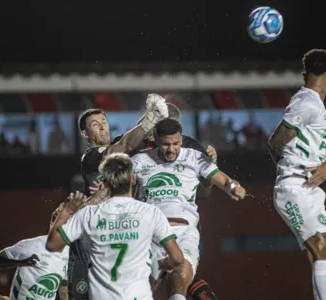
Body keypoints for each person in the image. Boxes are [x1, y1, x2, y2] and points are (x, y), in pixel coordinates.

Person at [66, 94, 169, 300]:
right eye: (95, 125)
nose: (103, 127)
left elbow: (132, 141)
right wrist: (151, 117)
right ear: (84, 133)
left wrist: (150, 117)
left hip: (126, 226)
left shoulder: (118, 145)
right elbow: (122, 147)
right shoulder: (91, 156)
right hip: (100, 231)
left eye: (104, 122)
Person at [131, 118, 247, 299]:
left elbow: (222, 180)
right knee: (144, 287)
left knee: (182, 273)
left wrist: (233, 187)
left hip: (184, 231)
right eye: (166, 144)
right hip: (150, 232)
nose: (171, 149)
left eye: (176, 143)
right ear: (156, 139)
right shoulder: (139, 160)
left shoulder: (194, 156)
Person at [46, 153, 184, 300]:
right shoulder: (151, 212)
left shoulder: (88, 214)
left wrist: (66, 211)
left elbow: (52, 245)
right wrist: (162, 264)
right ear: (132, 179)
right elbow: (177, 258)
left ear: (105, 182)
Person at [267, 49, 326, 300]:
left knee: (324, 252)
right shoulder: (306, 102)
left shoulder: (312, 104)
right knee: (320, 249)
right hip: (295, 186)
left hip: (309, 188)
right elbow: (276, 141)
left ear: (304, 73)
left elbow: (306, 144)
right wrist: (290, 170)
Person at [0, 208, 70, 300]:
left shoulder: (68, 253)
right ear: (52, 224)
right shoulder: (32, 246)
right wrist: (20, 263)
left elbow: (63, 285)